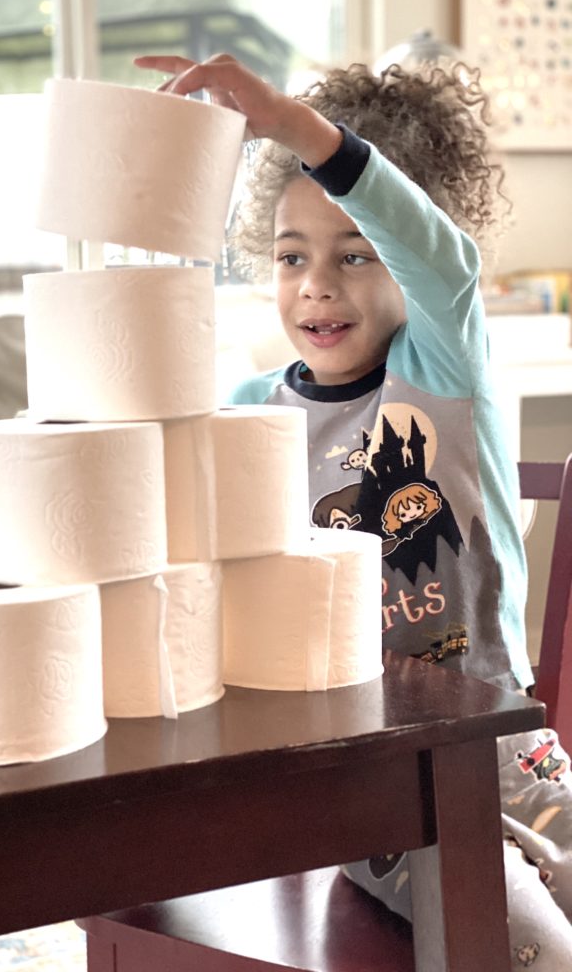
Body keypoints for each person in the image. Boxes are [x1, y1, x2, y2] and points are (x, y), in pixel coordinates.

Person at [135, 52, 572, 968]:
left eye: (355, 255)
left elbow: (439, 254)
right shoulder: (254, 412)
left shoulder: (442, 378)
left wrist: (293, 126)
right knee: (527, 949)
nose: (315, 286)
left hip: (506, 752)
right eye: (291, 256)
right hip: (372, 787)